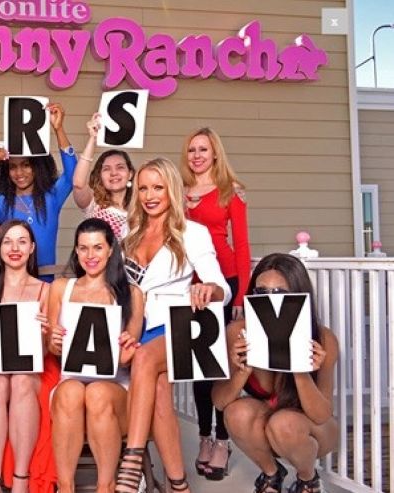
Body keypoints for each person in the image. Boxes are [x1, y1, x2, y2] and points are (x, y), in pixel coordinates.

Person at [117, 157, 231, 493]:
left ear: (172, 190)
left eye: (158, 188)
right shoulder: (128, 233)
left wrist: (208, 289)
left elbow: (222, 289)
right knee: (160, 394)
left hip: (180, 327)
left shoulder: (192, 233)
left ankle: (132, 457)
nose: (149, 196)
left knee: (144, 359)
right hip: (138, 327)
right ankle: (179, 484)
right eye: (143, 189)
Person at [213, 253, 338, 493]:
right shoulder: (238, 331)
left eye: (280, 293)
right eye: (262, 292)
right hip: (264, 421)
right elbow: (220, 402)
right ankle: (271, 475)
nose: (269, 301)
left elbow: (322, 414)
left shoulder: (322, 338)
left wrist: (300, 369)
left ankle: (308, 480)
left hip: (311, 428)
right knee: (237, 412)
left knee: (284, 423)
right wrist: (242, 370)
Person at [47, 219, 143, 493]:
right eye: (83, 248)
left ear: (111, 250)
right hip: (71, 380)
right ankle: (65, 486)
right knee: (71, 391)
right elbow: (52, 347)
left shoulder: (131, 294)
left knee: (97, 392)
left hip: (115, 384)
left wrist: (127, 349)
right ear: (76, 251)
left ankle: (105, 485)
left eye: (98, 247)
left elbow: (127, 356)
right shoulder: (61, 288)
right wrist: (53, 341)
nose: (90, 255)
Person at [180, 127, 250, 480]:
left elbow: (243, 245)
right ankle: (204, 436)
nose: (196, 155)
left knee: (220, 365)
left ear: (215, 154)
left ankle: (223, 440)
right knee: (199, 367)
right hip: (190, 286)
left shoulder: (229, 191)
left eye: (203, 149)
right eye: (192, 149)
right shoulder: (178, 192)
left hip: (224, 283)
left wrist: (240, 295)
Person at [0, 220, 53, 493]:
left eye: (22, 241)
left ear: (32, 248)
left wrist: (44, 333)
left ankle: (21, 479)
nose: (15, 248)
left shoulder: (45, 291)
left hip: (35, 370)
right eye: (7, 241)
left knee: (21, 378)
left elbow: (46, 352)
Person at [0, 103, 76, 275]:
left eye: (26, 165)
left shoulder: (51, 197)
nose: (19, 173)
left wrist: (59, 129)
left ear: (37, 167)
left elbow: (72, 175)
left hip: (45, 282)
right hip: (13, 280)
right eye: (13, 167)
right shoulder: (3, 203)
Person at [72, 114, 134, 241]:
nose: (113, 173)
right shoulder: (94, 205)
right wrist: (92, 139)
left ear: (130, 174)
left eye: (120, 167)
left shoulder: (140, 208)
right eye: (106, 169)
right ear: (100, 175)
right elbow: (79, 184)